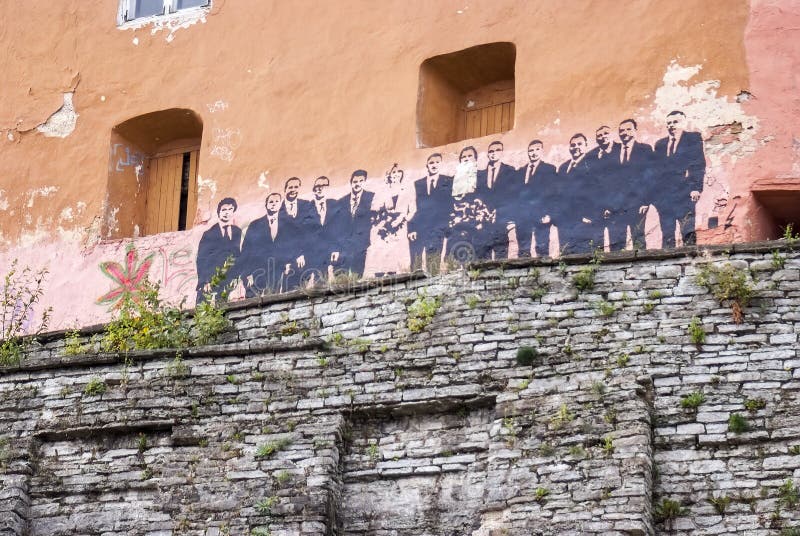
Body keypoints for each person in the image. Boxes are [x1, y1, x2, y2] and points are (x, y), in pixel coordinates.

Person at [652, 110, 706, 247]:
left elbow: (698, 164)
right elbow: (656, 171)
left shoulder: (693, 138)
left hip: (685, 193)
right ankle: (666, 263)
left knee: (687, 231)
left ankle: (691, 260)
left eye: (675, 122)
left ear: (683, 122)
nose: (671, 125)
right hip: (664, 197)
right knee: (667, 234)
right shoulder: (660, 144)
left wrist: (695, 188)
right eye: (668, 123)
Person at [606, 119, 653, 250]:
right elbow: (608, 182)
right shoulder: (613, 153)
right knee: (616, 241)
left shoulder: (645, 149)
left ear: (635, 131)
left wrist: (646, 201)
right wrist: (608, 206)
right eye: (621, 130)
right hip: (616, 207)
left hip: (637, 204)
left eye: (628, 129)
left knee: (638, 237)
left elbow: (649, 177)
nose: (624, 133)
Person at [364, 164, 414, 276]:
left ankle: (402, 273)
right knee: (386, 253)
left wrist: (402, 218)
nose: (396, 174)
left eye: (398, 172)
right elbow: (374, 208)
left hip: (400, 226)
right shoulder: (383, 191)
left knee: (400, 252)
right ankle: (385, 274)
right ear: (389, 175)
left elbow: (412, 209)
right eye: (393, 172)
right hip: (385, 227)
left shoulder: (407, 190)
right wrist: (384, 218)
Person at [446, 146, 493, 263]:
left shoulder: (483, 176)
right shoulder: (453, 181)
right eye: (463, 157)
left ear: (475, 160)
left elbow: (488, 198)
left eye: (469, 156)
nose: (466, 159)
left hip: (478, 227)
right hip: (458, 228)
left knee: (480, 261)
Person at [554, 133, 599, 253]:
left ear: (586, 146)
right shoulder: (563, 167)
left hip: (584, 220)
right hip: (564, 221)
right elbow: (558, 195)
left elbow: (596, 192)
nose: (576, 147)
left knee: (584, 254)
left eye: (579, 144)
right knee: (565, 254)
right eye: (573, 145)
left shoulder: (592, 165)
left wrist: (590, 215)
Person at [407, 153, 453, 270]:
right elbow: (412, 208)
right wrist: (412, 228)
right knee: (415, 263)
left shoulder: (448, 181)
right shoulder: (418, 183)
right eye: (431, 163)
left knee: (433, 263)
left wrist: (448, 228)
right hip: (420, 228)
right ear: (427, 165)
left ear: (441, 164)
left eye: (437, 162)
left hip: (438, 228)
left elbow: (451, 205)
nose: (434, 165)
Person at [239, 192, 287, 296]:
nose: (273, 204)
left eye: (276, 201)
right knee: (252, 302)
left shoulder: (287, 224)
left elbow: (292, 246)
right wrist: (246, 274)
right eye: (271, 202)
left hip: (277, 270)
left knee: (275, 300)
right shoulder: (255, 225)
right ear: (266, 205)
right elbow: (246, 250)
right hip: (257, 271)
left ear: (281, 204)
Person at [515, 140, 558, 257]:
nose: (534, 153)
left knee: (542, 247)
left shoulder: (549, 169)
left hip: (541, 215)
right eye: (531, 150)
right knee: (523, 249)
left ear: (542, 151)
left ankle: (543, 272)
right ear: (528, 153)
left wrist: (549, 214)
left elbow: (553, 193)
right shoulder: (520, 171)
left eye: (537, 149)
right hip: (523, 216)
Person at [195, 197, 241, 304]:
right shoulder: (209, 234)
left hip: (228, 280)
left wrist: (236, 277)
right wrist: (204, 281)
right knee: (203, 309)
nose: (226, 212)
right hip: (211, 281)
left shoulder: (237, 232)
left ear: (233, 211)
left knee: (223, 309)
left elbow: (237, 255)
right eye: (224, 210)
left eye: (230, 209)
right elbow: (202, 259)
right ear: (219, 212)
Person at [477, 140, 517, 259]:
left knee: (501, 252)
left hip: (502, 219)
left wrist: (510, 219)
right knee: (484, 253)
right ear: (488, 154)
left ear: (502, 152)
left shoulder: (510, 171)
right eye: (491, 151)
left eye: (497, 150)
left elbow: (512, 196)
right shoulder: (480, 174)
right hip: (484, 221)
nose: (494, 153)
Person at [331, 170, 375, 277]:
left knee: (357, 275)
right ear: (351, 183)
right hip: (344, 247)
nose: (357, 184)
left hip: (361, 245)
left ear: (365, 182)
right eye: (355, 181)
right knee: (341, 277)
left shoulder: (371, 197)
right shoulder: (341, 201)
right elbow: (337, 227)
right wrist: (335, 248)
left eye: (361, 181)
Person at [279, 177, 314, 290]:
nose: (293, 190)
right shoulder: (277, 209)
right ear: (285, 190)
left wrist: (303, 253)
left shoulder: (307, 205)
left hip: (306, 258)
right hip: (286, 260)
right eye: (290, 187)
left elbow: (310, 232)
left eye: (296, 187)